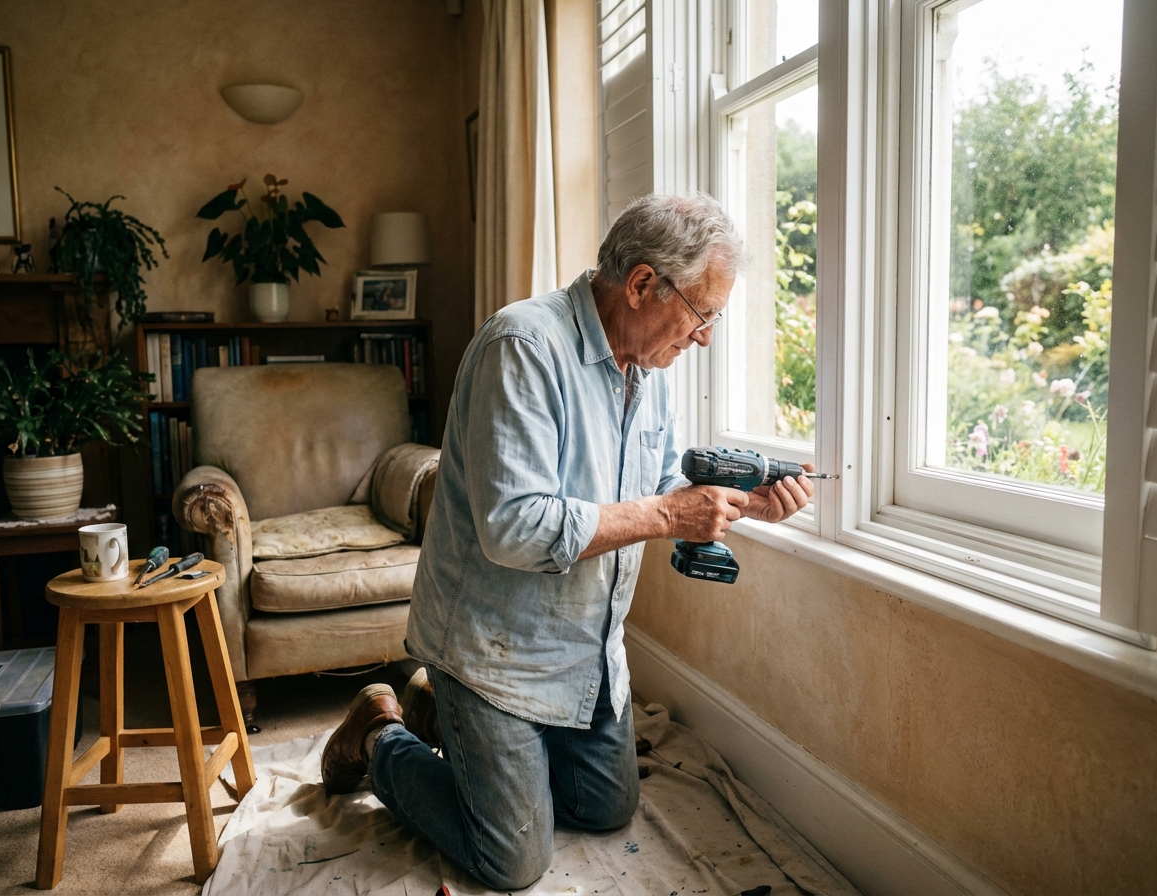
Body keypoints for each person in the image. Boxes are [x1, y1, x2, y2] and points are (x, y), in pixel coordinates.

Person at [320, 193, 815, 889]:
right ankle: (380, 734)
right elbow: (517, 526)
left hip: (586, 647)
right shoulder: (521, 346)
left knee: (603, 809)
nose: (705, 336)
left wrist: (746, 502)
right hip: (494, 649)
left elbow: (663, 478)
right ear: (642, 284)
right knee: (513, 860)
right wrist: (673, 516)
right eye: (703, 314)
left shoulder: (649, 367)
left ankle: (443, 716)